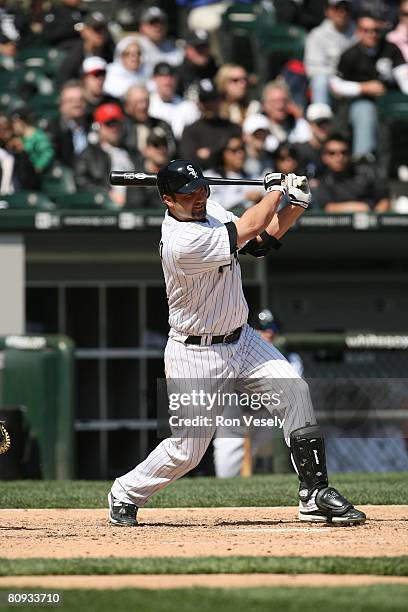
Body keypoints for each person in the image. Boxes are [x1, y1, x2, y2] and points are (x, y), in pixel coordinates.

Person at [108, 159, 366, 527]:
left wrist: (295, 205)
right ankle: (126, 491)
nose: (197, 198)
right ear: (167, 200)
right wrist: (275, 189)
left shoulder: (210, 209)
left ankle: (314, 494)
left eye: (200, 189)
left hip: (242, 339)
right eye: (186, 195)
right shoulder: (182, 242)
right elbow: (250, 224)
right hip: (195, 352)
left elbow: (259, 242)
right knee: (188, 450)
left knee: (294, 391)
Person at [213, 309, 304, 478]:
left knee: (274, 468)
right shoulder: (234, 352)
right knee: (226, 473)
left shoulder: (290, 358)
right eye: (263, 328)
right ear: (251, 331)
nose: (269, 332)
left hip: (267, 417)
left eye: (274, 328)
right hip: (234, 418)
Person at [331, 12, 408, 157]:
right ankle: (363, 160)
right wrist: (363, 88)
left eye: (375, 30)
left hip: (388, 104)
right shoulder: (350, 55)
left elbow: (404, 76)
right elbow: (336, 85)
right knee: (365, 110)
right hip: (358, 105)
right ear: (358, 32)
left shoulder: (390, 49)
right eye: (366, 30)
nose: (372, 34)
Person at [75, 103, 139, 207]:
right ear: (97, 127)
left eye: (117, 123)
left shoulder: (132, 153)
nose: (114, 128)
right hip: (102, 209)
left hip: (135, 206)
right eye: (109, 123)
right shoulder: (89, 153)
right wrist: (106, 194)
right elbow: (81, 181)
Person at [312, 132, 390, 212]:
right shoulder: (321, 178)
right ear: (324, 157)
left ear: (349, 154)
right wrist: (363, 208)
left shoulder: (367, 172)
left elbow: (384, 200)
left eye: (343, 152)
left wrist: (374, 217)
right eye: (332, 153)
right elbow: (329, 208)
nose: (339, 157)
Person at [180, 79, 241, 170]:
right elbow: (188, 162)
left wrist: (209, 152)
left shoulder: (232, 128)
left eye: (212, 100)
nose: (209, 105)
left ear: (219, 100)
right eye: (205, 100)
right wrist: (221, 148)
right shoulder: (191, 130)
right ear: (199, 103)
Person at [304, 0, 356, 105]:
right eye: (337, 9)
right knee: (320, 82)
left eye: (345, 9)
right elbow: (312, 69)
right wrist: (335, 81)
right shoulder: (317, 35)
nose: (342, 13)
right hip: (329, 81)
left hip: (352, 80)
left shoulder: (359, 32)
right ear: (328, 11)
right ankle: (321, 118)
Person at [208, 135, 264, 210]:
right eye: (234, 150)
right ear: (223, 153)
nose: (240, 154)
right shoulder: (211, 177)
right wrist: (245, 197)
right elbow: (214, 204)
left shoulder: (250, 177)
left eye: (242, 149)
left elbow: (264, 189)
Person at [148, 62, 200, 140]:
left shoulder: (188, 106)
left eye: (171, 76)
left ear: (176, 79)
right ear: (154, 79)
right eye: (163, 76)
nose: (168, 81)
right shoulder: (148, 104)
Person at [59, 11, 114, 84]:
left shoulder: (111, 53)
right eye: (96, 29)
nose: (101, 33)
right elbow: (65, 84)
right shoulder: (74, 58)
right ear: (84, 32)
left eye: (104, 29)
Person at [121, 84, 176, 158]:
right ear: (127, 106)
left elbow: (172, 150)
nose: (143, 106)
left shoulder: (162, 125)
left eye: (146, 101)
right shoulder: (121, 127)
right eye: (138, 102)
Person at [126, 127, 170, 209]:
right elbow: (135, 207)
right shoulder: (136, 176)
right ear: (146, 150)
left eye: (165, 145)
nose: (162, 149)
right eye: (156, 145)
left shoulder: (174, 174)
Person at [47, 80, 89, 168]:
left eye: (81, 99)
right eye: (71, 101)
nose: (77, 104)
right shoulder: (53, 131)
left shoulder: (94, 125)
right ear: (61, 105)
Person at [262, 81, 312, 153]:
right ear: (265, 105)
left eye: (284, 101)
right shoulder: (259, 128)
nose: (280, 106)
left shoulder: (299, 126)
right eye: (275, 102)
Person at [137, 6, 184, 78]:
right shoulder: (132, 49)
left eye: (161, 22)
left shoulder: (176, 49)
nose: (157, 26)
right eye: (152, 22)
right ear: (142, 27)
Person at [176, 29, 218, 101]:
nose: (201, 52)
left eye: (204, 47)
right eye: (197, 48)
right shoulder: (177, 75)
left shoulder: (218, 73)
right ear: (187, 49)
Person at [294, 102, 334, 177]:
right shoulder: (298, 151)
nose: (324, 128)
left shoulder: (337, 151)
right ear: (310, 124)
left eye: (327, 123)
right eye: (319, 124)